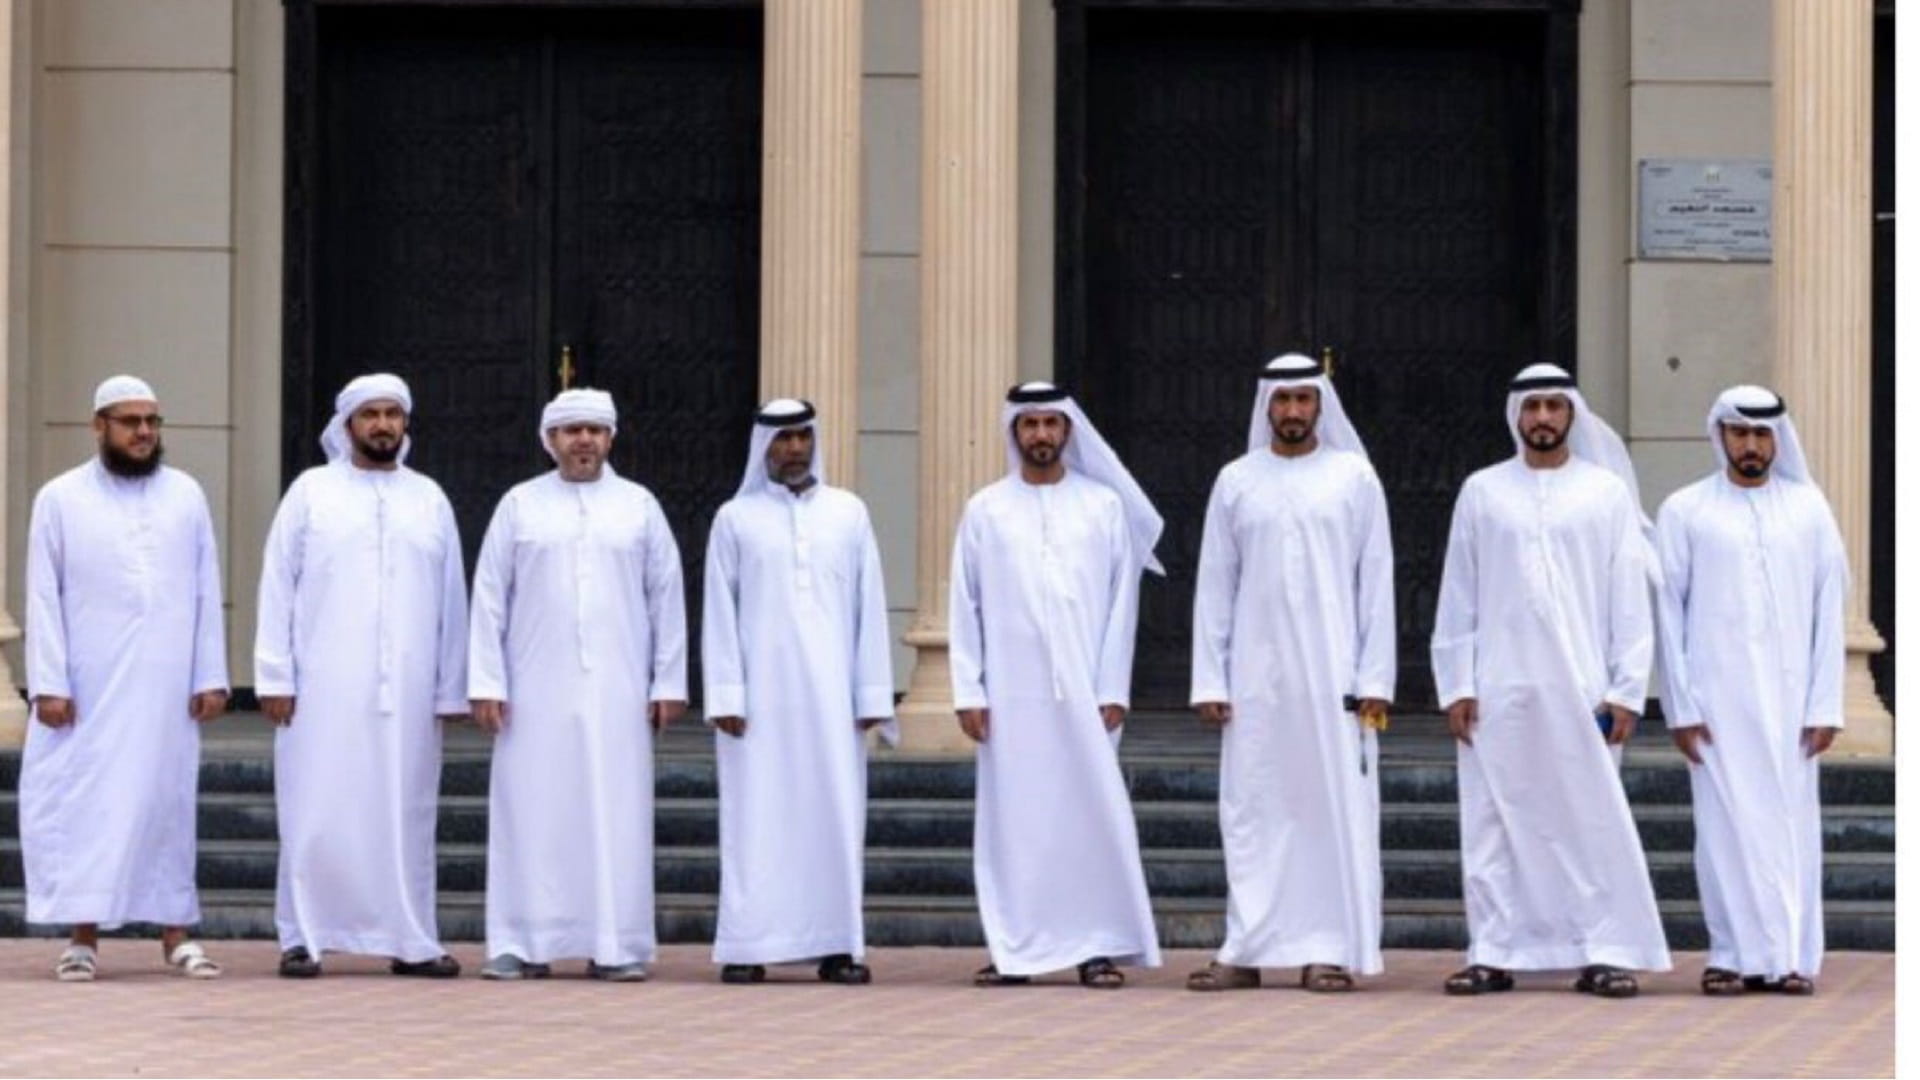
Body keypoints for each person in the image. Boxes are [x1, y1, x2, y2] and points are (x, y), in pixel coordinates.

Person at [1430, 362, 1671, 998]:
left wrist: (1626, 689)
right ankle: (1492, 951)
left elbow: (1628, 599)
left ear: (1571, 415)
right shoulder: (1483, 491)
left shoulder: (1605, 492)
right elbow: (1459, 593)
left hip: (1584, 690)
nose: (1542, 419)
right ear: (1516, 415)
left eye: (1553, 408)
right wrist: (1456, 682)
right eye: (1532, 407)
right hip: (1498, 687)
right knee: (1491, 823)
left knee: (1589, 821)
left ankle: (1603, 950)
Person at [1187, 352, 1395, 993]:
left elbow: (1376, 582)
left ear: (1320, 407)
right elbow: (1215, 583)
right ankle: (1245, 946)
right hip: (1255, 681)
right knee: (1253, 812)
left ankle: (1328, 948)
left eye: (1304, 399)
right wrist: (1211, 679)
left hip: (1334, 681)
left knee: (1330, 811)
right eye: (1283, 400)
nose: (1294, 411)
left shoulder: (1353, 478)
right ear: (1267, 407)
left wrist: (1375, 683)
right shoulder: (1236, 480)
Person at [950, 381, 1164, 989]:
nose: (1041, 435)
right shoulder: (985, 509)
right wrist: (969, 690)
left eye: (1051, 424)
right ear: (1014, 432)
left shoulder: (1102, 506)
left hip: (1087, 696)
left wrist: (1112, 687)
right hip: (1010, 699)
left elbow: (1124, 602)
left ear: (1068, 431)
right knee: (1014, 822)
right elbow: (963, 605)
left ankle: (1097, 944)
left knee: (1090, 816)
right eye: (1029, 424)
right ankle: (1017, 947)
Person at [468, 388, 687, 982]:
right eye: (571, 431)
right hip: (532, 692)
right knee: (528, 810)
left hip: (618, 689)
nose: (583, 440)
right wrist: (486, 680)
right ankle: (521, 941)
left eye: (594, 429)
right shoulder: (519, 505)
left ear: (611, 437)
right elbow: (489, 597)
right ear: (550, 440)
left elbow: (666, 597)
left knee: (615, 812)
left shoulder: (639, 506)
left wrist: (667, 681)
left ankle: (615, 945)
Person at [255, 373, 469, 979]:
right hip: (320, 684)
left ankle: (412, 938)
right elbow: (277, 585)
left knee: (406, 811)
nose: (382, 425)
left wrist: (451, 686)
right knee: (315, 807)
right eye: (370, 415)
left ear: (405, 424)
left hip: (407, 688)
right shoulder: (310, 492)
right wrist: (274, 676)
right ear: (347, 425)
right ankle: (303, 936)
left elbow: (452, 596)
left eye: (392, 415)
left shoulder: (429, 497)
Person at [19, 375, 229, 981]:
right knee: (87, 804)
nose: (144, 433)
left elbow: (204, 586)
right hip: (87, 686)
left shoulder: (185, 495)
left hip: (165, 688)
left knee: (165, 803)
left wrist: (210, 675)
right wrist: (49, 684)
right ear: (99, 427)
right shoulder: (59, 498)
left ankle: (176, 935)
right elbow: (43, 595)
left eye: (152, 422)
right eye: (130, 421)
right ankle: (82, 938)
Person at [1654, 386, 1847, 997]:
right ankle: (1731, 955)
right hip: (1716, 701)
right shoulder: (1685, 510)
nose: (1751, 444)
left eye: (1762, 434)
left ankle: (1791, 957)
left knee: (1791, 826)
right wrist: (1680, 706)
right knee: (1723, 829)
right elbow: (1668, 614)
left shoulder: (1809, 509)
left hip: (1793, 703)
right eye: (1739, 433)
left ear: (1777, 439)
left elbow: (1830, 611)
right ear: (1720, 436)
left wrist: (1825, 703)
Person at [702, 399, 895, 985]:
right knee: (754, 817)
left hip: (833, 701)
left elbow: (870, 606)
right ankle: (747, 943)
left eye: (801, 438)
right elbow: (720, 608)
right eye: (782, 439)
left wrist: (871, 697)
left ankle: (838, 946)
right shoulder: (734, 518)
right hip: (758, 704)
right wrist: (727, 695)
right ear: (764, 446)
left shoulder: (849, 513)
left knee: (833, 814)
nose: (793, 449)